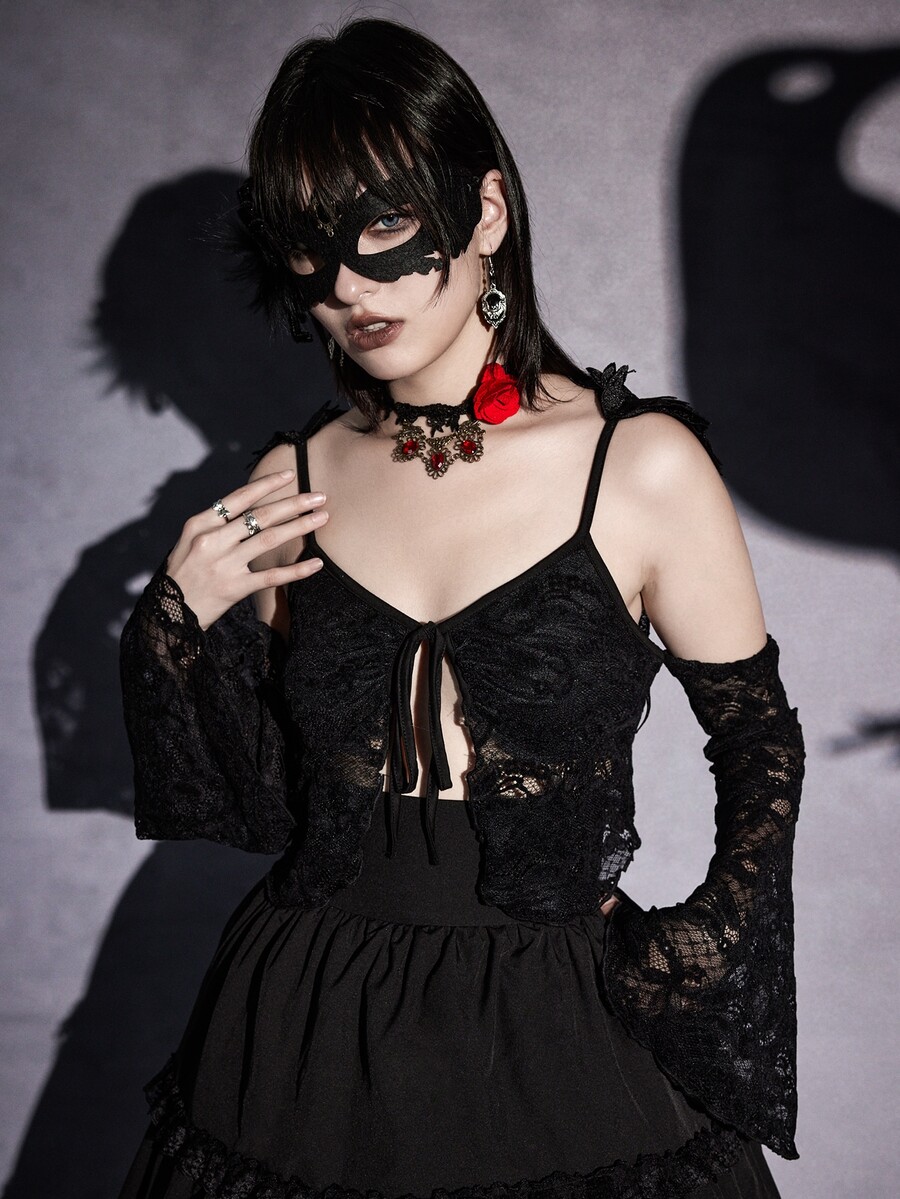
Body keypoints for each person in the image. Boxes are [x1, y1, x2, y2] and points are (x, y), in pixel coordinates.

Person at [116, 16, 805, 1199]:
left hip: (551, 1016)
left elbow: (761, 742)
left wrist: (693, 944)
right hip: (304, 1010)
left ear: (484, 212)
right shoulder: (296, 476)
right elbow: (262, 802)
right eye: (309, 248)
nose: (347, 286)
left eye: (383, 227)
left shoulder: (639, 465)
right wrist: (177, 625)